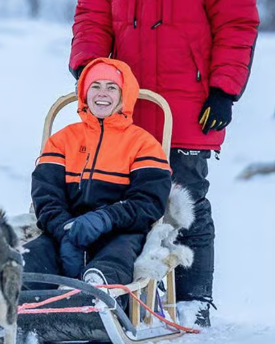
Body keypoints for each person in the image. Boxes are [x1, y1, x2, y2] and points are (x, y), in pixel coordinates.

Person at [69, 0, 259, 327]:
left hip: (190, 108)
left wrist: (223, 90)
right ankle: (128, 295)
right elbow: (91, 18)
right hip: (126, 110)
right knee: (123, 205)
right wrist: (88, 70)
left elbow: (238, 26)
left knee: (186, 200)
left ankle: (193, 301)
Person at [24, 57, 171, 293]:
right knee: (33, 258)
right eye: (95, 86)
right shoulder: (62, 140)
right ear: (84, 93)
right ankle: (21, 302)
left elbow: (149, 202)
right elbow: (45, 195)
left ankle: (99, 291)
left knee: (118, 255)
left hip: (120, 232)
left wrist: (104, 219)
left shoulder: (143, 144)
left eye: (111, 87)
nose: (103, 93)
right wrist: (64, 230)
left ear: (123, 96)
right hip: (65, 230)